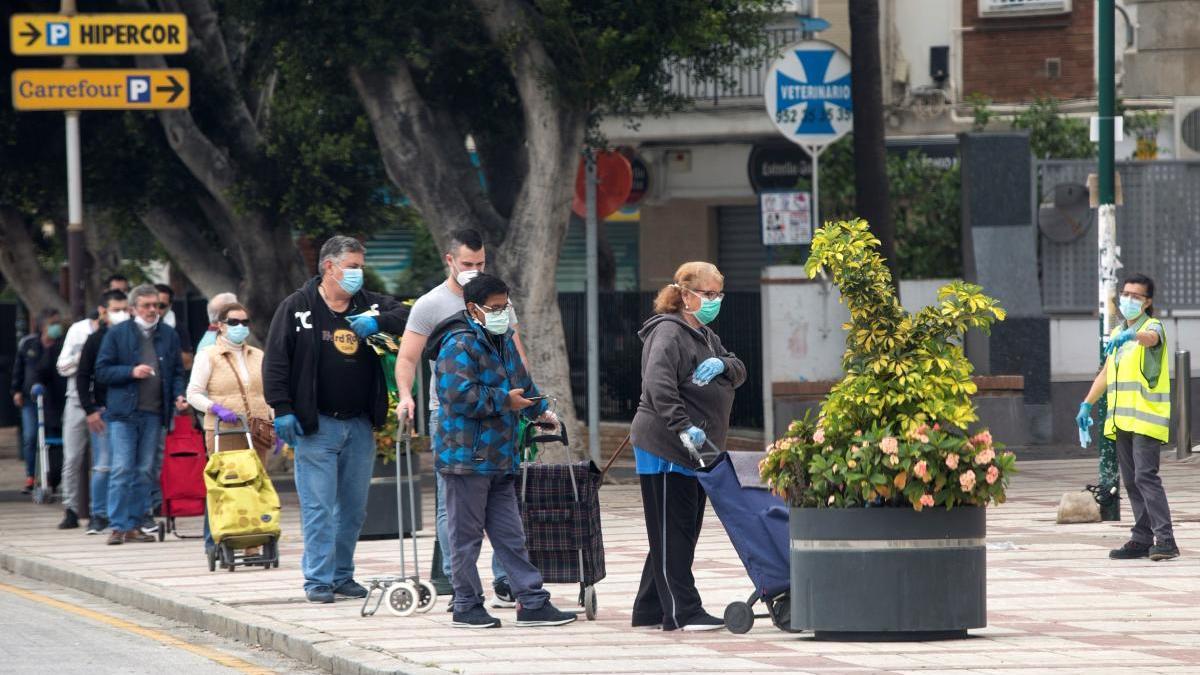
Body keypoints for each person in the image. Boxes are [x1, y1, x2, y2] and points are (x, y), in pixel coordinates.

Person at [263, 236, 409, 604]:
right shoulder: (298, 307)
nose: (359, 273)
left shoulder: (368, 302)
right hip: (317, 426)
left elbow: (410, 315)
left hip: (359, 424)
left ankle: (343, 575)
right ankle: (318, 580)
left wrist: (377, 320)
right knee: (319, 507)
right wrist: (281, 408)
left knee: (353, 508)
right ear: (330, 266)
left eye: (360, 266)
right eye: (353, 266)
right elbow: (277, 359)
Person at [426, 274, 575, 628]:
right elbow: (457, 396)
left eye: (505, 306)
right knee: (465, 538)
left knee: (511, 535)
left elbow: (522, 383)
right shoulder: (457, 344)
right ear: (472, 309)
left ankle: (532, 601)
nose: (502, 313)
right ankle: (465, 604)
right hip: (466, 459)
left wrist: (539, 411)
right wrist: (504, 401)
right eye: (494, 308)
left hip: (500, 456)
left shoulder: (503, 339)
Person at [395, 228, 523, 605]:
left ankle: (506, 579)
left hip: (499, 411)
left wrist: (528, 398)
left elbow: (514, 350)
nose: (474, 270)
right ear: (449, 260)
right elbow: (407, 357)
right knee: (451, 506)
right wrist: (406, 396)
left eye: (481, 263)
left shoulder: (496, 300)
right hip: (452, 416)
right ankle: (460, 585)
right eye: (468, 264)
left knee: (505, 499)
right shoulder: (431, 304)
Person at [629, 262, 746, 631]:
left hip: (695, 450)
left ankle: (648, 607)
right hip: (667, 444)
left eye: (718, 294)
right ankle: (682, 611)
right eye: (707, 294)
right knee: (673, 530)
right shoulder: (668, 333)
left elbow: (739, 369)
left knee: (677, 530)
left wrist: (723, 365)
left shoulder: (704, 335)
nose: (714, 301)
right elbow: (658, 388)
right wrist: (683, 427)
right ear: (685, 294)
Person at [1077, 273, 1179, 561]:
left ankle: (1166, 540)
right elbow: (1108, 373)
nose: (1129, 300)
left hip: (1146, 418)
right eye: (1126, 294)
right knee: (1132, 481)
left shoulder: (1151, 327)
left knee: (1146, 477)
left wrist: (1132, 335)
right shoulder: (1117, 332)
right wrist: (1086, 404)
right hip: (1122, 419)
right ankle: (1142, 537)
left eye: (1136, 296)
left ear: (1147, 302)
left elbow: (1150, 339)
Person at [96, 284, 188, 545]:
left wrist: (179, 395)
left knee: (146, 470)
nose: (152, 310)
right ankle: (117, 525)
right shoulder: (117, 334)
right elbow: (101, 371)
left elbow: (177, 373)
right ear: (133, 308)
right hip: (124, 413)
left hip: (155, 412)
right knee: (122, 468)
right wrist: (130, 372)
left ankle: (135, 524)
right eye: (146, 306)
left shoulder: (168, 334)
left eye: (156, 305)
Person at [187, 302, 273, 555]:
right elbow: (193, 393)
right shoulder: (209, 355)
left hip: (258, 429)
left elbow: (268, 394)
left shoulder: (258, 355)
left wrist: (276, 421)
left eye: (245, 323)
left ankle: (253, 543)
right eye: (234, 323)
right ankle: (215, 540)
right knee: (225, 486)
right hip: (224, 430)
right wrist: (215, 408)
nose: (240, 328)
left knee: (256, 485)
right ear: (221, 326)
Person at [55, 291, 122, 529]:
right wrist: (84, 357)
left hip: (102, 403)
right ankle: (70, 507)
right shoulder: (79, 330)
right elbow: (62, 366)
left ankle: (100, 511)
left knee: (104, 460)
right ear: (102, 310)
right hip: (75, 400)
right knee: (72, 457)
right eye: (115, 310)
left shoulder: (116, 333)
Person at [76, 291, 129, 534]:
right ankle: (99, 514)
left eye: (124, 309)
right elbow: (83, 375)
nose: (122, 314)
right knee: (104, 464)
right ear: (103, 311)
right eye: (116, 309)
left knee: (126, 465)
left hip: (128, 409)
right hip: (103, 409)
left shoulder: (133, 337)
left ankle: (125, 513)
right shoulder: (95, 340)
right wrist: (90, 409)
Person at [11, 308, 63, 494]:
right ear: (43, 326)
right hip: (30, 399)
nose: (56, 327)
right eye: (52, 323)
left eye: (58, 323)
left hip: (54, 400)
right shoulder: (28, 344)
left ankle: (51, 476)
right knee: (31, 436)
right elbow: (19, 368)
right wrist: (16, 390)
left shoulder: (62, 344)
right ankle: (30, 475)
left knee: (52, 438)